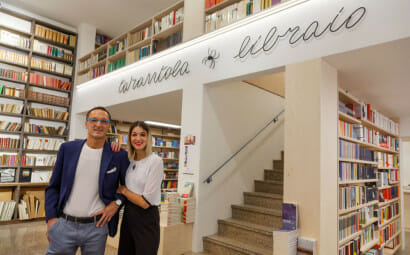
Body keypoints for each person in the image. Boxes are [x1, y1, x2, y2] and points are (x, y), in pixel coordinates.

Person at [45, 106, 129, 255]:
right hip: (64, 224)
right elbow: (53, 186)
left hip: (97, 227)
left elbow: (127, 186)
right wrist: (51, 219)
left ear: (109, 125)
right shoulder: (67, 149)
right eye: (94, 120)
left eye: (104, 121)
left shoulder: (118, 155)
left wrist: (116, 204)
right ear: (86, 124)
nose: (98, 124)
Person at [114, 121, 164, 255]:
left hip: (146, 218)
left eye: (142, 134)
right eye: (134, 134)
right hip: (128, 215)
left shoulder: (155, 161)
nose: (138, 138)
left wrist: (124, 190)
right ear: (129, 138)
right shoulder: (129, 160)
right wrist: (113, 148)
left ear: (148, 138)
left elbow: (145, 202)